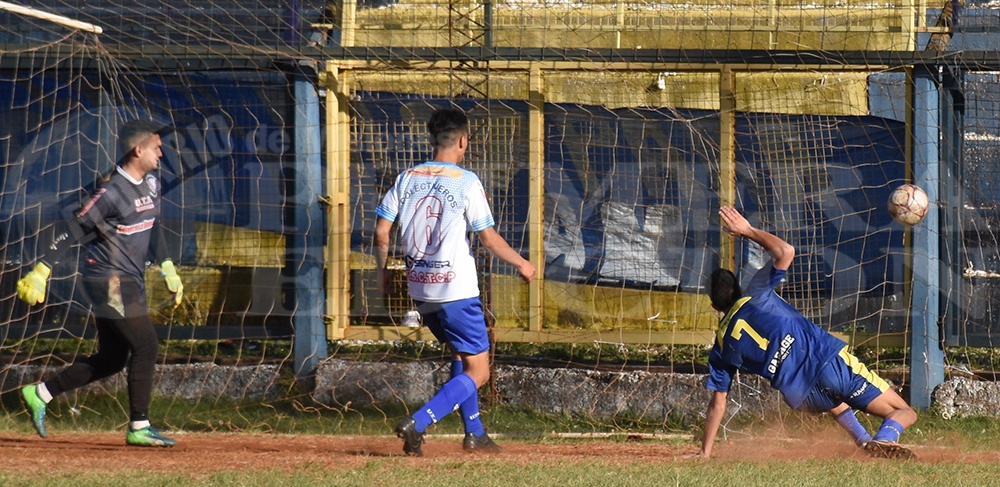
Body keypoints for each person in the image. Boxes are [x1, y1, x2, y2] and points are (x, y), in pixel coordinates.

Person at [373, 107, 536, 456]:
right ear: (463, 140)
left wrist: (383, 273)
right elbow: (489, 239)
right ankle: (418, 422)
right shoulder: (466, 181)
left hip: (421, 289)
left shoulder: (406, 178)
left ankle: (474, 433)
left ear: (432, 140)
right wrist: (523, 263)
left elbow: (382, 230)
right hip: (457, 291)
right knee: (480, 372)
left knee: (462, 357)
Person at [699, 206, 917, 460]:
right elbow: (786, 251)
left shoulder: (721, 347)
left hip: (804, 398)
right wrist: (747, 230)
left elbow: (718, 403)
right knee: (903, 411)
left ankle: (865, 444)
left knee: (834, 400)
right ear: (738, 287)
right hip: (828, 365)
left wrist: (705, 452)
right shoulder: (756, 294)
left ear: (714, 306)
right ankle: (884, 439)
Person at [16, 119, 183, 447]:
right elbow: (76, 226)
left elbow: (154, 224)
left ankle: (41, 393)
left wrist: (167, 267)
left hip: (128, 279)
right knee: (146, 346)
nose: (162, 153)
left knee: (113, 358)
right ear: (138, 150)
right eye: (157, 147)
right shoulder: (111, 192)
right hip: (109, 280)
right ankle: (139, 425)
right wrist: (41, 270)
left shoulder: (150, 183)